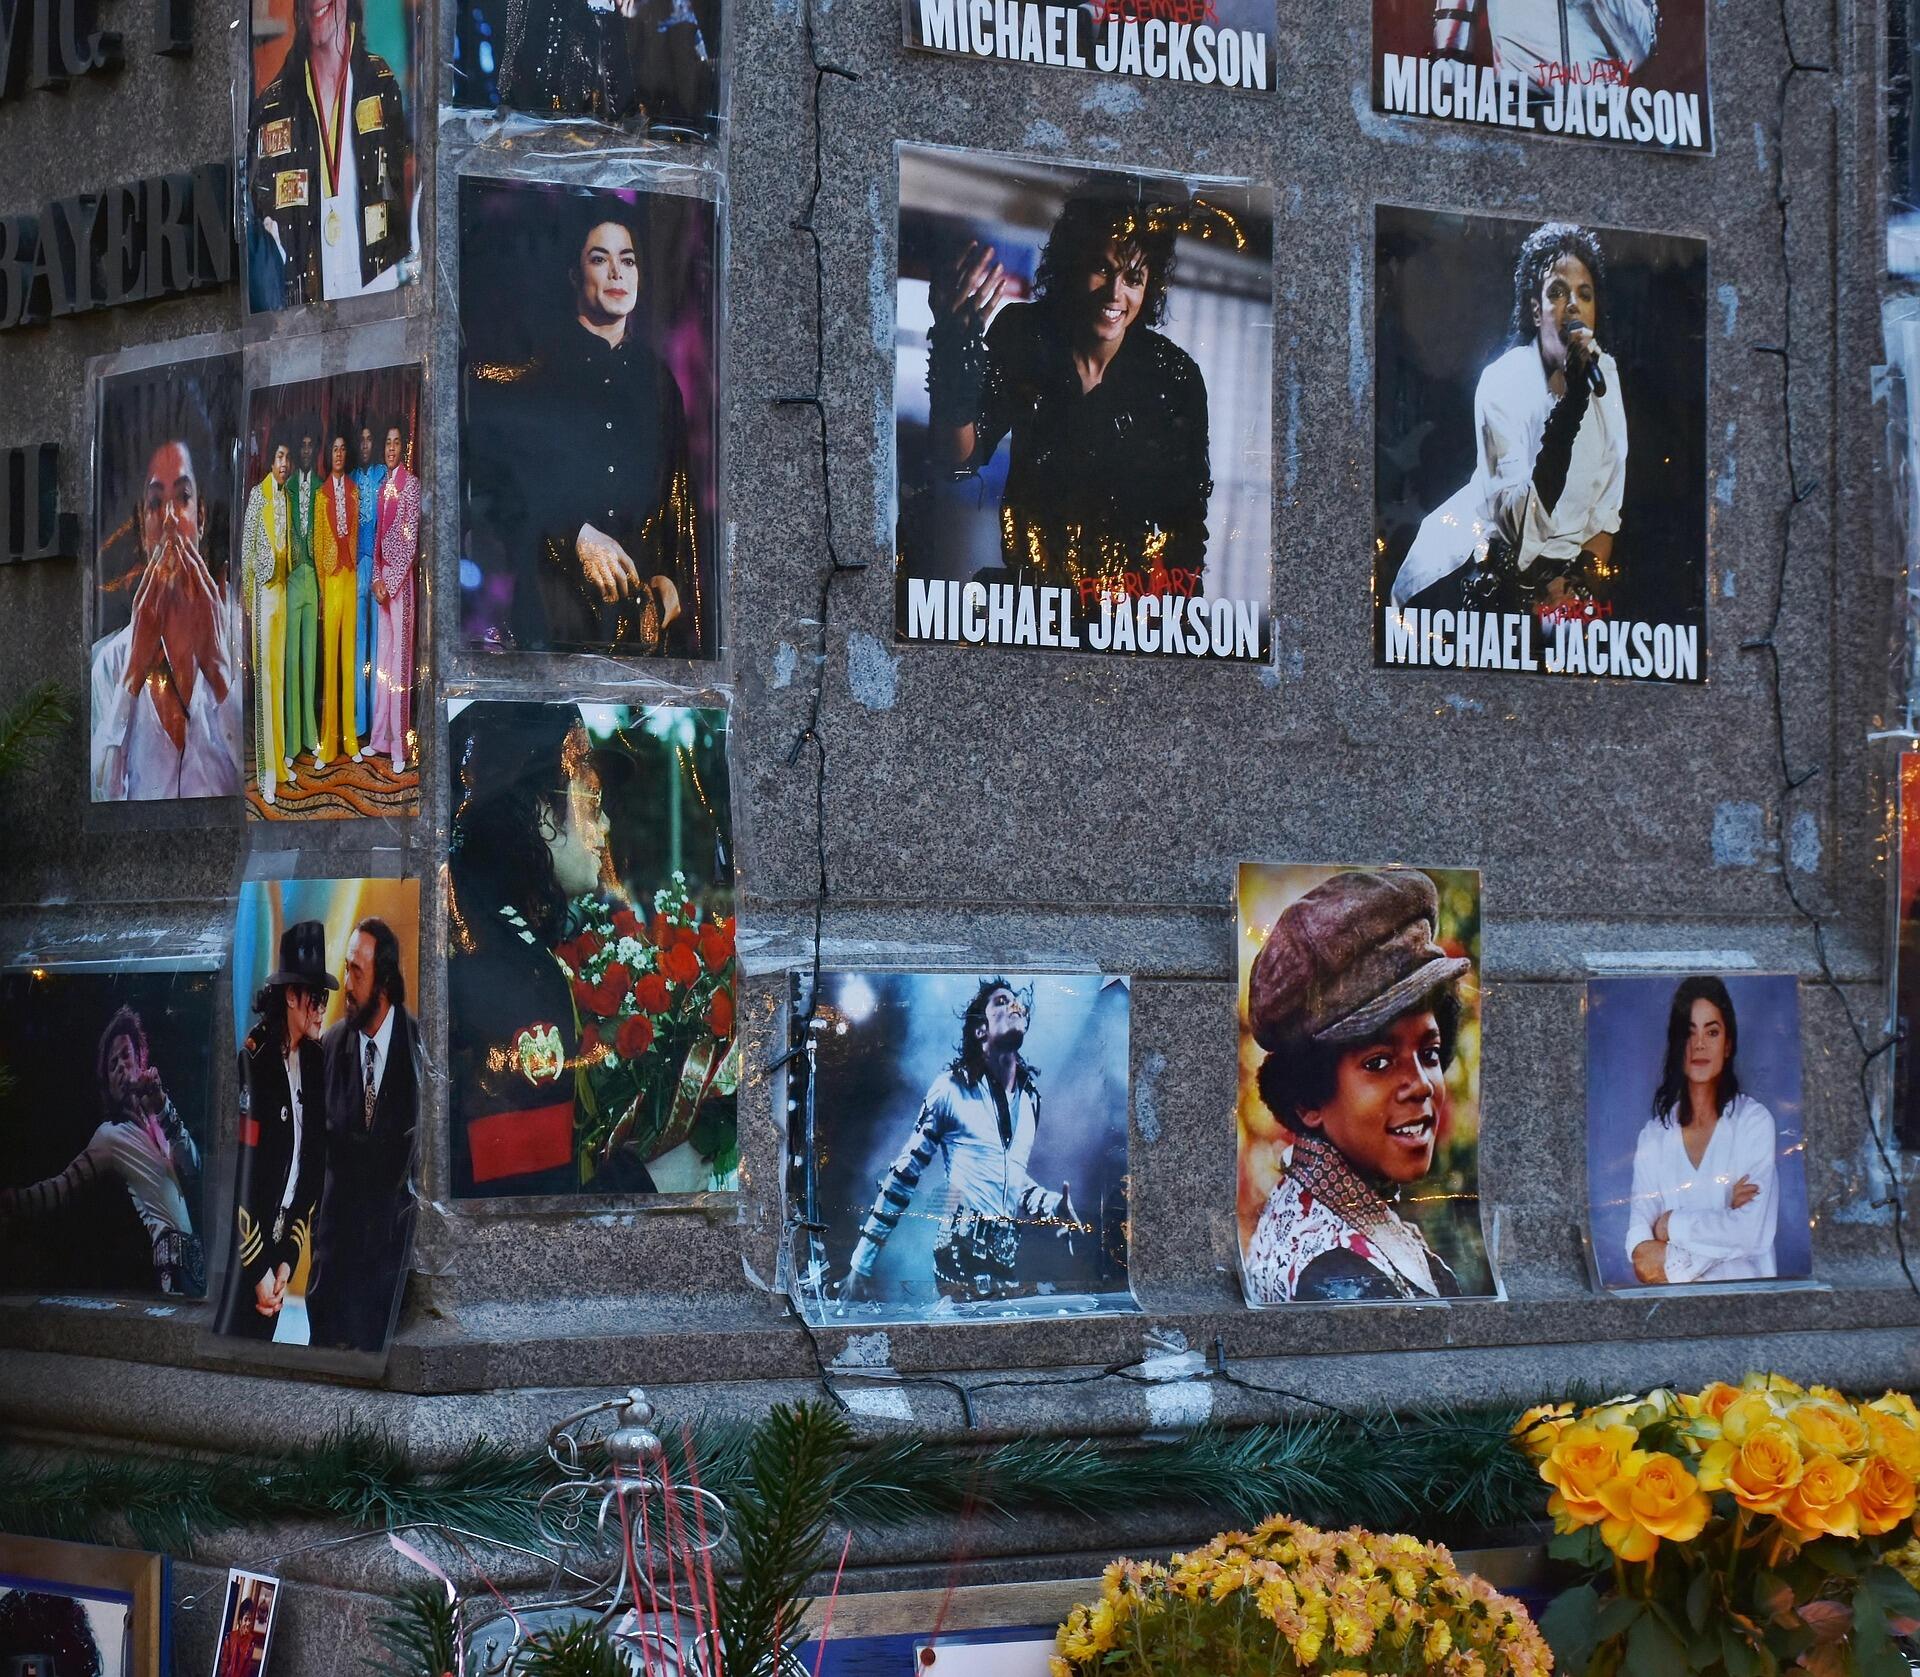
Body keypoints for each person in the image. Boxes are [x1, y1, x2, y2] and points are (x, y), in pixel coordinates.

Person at [921, 174, 1213, 594]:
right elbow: (958, 461)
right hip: (1030, 599)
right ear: (1072, 263)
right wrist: (954, 354)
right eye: (1101, 268)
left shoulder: (1173, 375)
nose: (1115, 294)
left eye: (1133, 277)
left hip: (1131, 608)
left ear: (1150, 287)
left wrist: (1170, 628)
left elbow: (1188, 526)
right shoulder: (1025, 335)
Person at [468, 205, 700, 657]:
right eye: (600, 258)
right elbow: (493, 486)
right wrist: (574, 533)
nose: (617, 272)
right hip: (553, 620)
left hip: (639, 633)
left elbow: (680, 496)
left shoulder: (658, 381)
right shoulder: (535, 370)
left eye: (627, 259)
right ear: (575, 274)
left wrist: (674, 581)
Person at [447, 702, 657, 1196]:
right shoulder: (513, 972)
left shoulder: (482, 925)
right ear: (544, 813)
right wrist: (653, 1181)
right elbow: (530, 1207)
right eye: (591, 797)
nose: (604, 825)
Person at [1241, 870, 1473, 1304]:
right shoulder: (1339, 1276)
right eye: (1379, 1063)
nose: (1421, 1086)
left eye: (1429, 1053)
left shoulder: (1325, 1212)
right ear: (1309, 1098)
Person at [1391, 221, 1627, 613]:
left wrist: (1576, 585)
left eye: (1584, 295)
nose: (1573, 305)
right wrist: (1570, 410)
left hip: (1569, 586)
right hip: (1495, 576)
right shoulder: (1503, 382)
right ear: (1536, 310)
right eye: (1557, 292)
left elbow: (1607, 510)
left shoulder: (1608, 377)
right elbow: (1522, 522)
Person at [833, 978, 1080, 1308]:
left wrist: (1051, 1205)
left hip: (1004, 1266)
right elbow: (902, 1178)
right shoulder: (950, 1089)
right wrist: (861, 1264)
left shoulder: (1031, 1099)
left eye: (1017, 1001)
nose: (1015, 1006)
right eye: (1002, 1001)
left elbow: (1008, 1179)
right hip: (958, 1263)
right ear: (980, 1030)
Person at [0, 1006, 204, 1295]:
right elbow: (63, 1185)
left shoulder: (158, 1118)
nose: (121, 1067)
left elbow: (193, 1166)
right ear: (108, 1083)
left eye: (125, 1056)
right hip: (169, 1269)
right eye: (112, 1064)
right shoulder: (110, 1135)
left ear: (140, 1059)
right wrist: (16, 1200)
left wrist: (162, 1106)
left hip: (194, 1267)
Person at [89, 436, 243, 801]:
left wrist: (219, 673)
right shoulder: (109, 664)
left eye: (183, 498)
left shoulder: (245, 640)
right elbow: (102, 799)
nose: (170, 519)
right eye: (156, 503)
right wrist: (131, 679)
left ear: (200, 517)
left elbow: (269, 787)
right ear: (142, 531)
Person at [246, 0, 412, 308]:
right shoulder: (272, 106)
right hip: (302, 317)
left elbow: (401, 204)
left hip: (379, 304)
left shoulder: (381, 83)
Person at [214, 921, 332, 1341]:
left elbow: (311, 1170)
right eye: (314, 997)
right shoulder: (255, 1061)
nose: (321, 1008)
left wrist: (285, 1262)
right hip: (246, 1254)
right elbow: (240, 1172)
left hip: (280, 1255)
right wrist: (259, 1267)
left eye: (324, 997)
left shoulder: (318, 1065)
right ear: (291, 996)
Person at [1623, 976, 1781, 1285]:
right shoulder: (1653, 1137)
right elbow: (1643, 1260)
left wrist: (1669, 1226)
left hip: (1748, 1309)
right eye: (1689, 1032)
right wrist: (1725, 1223)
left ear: (1728, 1045)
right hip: (1672, 1315)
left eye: (1712, 1031)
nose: (1699, 1044)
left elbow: (1751, 1235)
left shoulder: (1753, 1122)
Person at [309, 918, 418, 1352]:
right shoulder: (329, 1048)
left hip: (391, 1289)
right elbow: (315, 1159)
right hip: (332, 1284)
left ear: (384, 983)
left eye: (357, 972)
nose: (346, 985)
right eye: (346, 968)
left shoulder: (421, 1048)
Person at [1430, 0, 1660, 108]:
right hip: (1521, 105)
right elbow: (1455, 15)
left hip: (1601, 110)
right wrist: (1447, 90)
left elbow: (1637, 53)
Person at [241, 442, 294, 804]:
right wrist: (248, 600)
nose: (284, 463)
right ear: (270, 461)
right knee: (264, 683)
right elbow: (246, 551)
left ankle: (279, 761)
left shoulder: (286, 498)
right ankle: (265, 775)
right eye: (279, 457)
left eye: (287, 458)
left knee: (279, 677)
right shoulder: (257, 497)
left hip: (283, 591)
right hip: (262, 593)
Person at [368, 424, 419, 774]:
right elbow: (375, 539)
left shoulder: (411, 485)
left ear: (403, 447)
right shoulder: (382, 486)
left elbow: (410, 539)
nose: (390, 448)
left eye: (396, 442)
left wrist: (392, 581)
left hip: (401, 585)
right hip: (383, 581)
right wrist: (375, 579)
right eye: (386, 443)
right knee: (382, 664)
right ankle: (379, 740)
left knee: (400, 666)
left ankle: (400, 748)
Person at [315, 433, 361, 766]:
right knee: (331, 662)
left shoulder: (355, 491)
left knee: (350, 661)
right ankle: (328, 745)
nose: (339, 454)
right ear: (328, 455)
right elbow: (318, 547)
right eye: (335, 449)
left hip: (351, 578)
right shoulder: (321, 496)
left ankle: (351, 742)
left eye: (344, 449)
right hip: (331, 579)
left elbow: (356, 534)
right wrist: (321, 588)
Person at [283, 431, 322, 774]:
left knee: (310, 661)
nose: (307, 450)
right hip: (294, 578)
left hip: (316, 579)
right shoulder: (287, 489)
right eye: (303, 445)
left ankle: (311, 736)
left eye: (311, 445)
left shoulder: (323, 486)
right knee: (292, 660)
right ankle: (291, 741)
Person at [351, 423, 385, 740]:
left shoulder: (382, 476)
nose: (364, 444)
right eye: (360, 439)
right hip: (355, 567)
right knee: (358, 645)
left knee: (378, 645)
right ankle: (360, 723)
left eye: (369, 438)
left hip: (379, 569)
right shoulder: (348, 480)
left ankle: (377, 723)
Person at [216, 1586, 268, 1677]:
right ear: (240, 1620)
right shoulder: (229, 1638)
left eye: (250, 1620)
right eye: (246, 1619)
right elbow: (223, 1668)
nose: (248, 1623)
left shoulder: (251, 1641)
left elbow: (247, 1670)